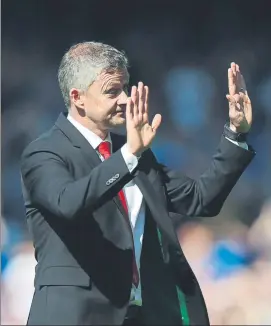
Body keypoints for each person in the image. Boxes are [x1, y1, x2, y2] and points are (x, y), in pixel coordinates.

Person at [20, 41, 254, 325]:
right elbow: (68, 203)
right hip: (75, 317)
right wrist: (129, 155)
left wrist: (235, 134)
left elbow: (201, 199)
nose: (125, 99)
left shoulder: (133, 151)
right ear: (77, 97)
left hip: (140, 316)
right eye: (112, 91)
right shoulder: (45, 152)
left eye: (126, 88)